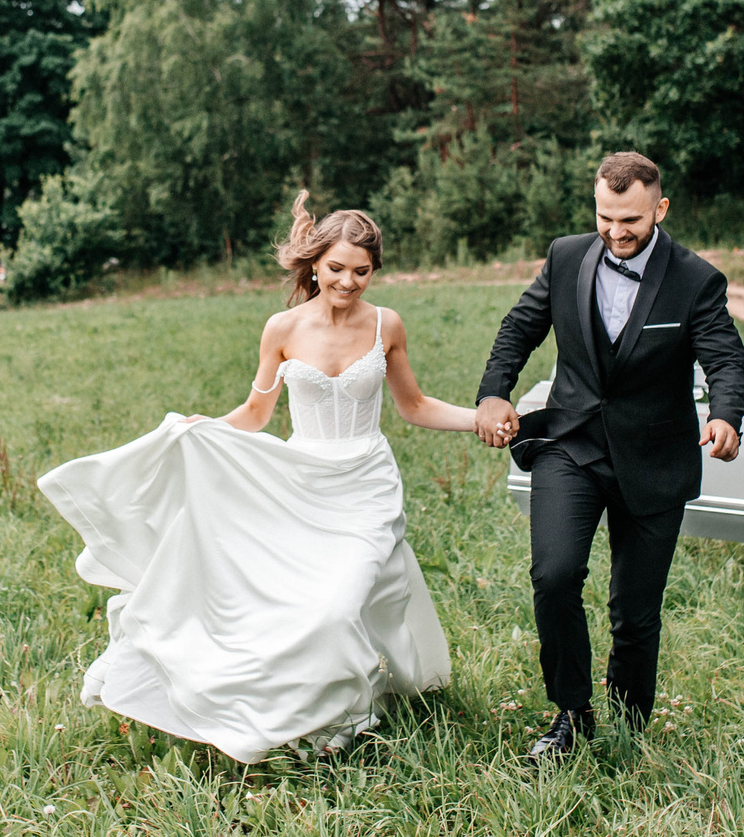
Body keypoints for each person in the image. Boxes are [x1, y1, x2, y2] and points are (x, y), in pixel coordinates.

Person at [39, 195, 476, 762]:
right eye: (336, 269)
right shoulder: (283, 328)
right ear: (314, 264)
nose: (348, 282)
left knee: (340, 605)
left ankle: (346, 714)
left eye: (361, 272)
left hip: (367, 484)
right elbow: (256, 414)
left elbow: (413, 405)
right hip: (300, 483)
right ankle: (315, 716)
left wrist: (483, 419)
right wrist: (201, 430)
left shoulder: (385, 325)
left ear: (375, 270)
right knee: (304, 607)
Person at [474, 151, 744, 762]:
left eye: (631, 220)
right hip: (570, 445)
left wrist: (726, 415)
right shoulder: (566, 255)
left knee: (634, 610)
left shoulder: (694, 279)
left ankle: (629, 726)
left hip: (653, 458)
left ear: (660, 208)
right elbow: (520, 327)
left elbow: (726, 359)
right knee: (554, 575)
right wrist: (494, 392)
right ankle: (571, 716)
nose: (617, 232)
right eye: (605, 217)